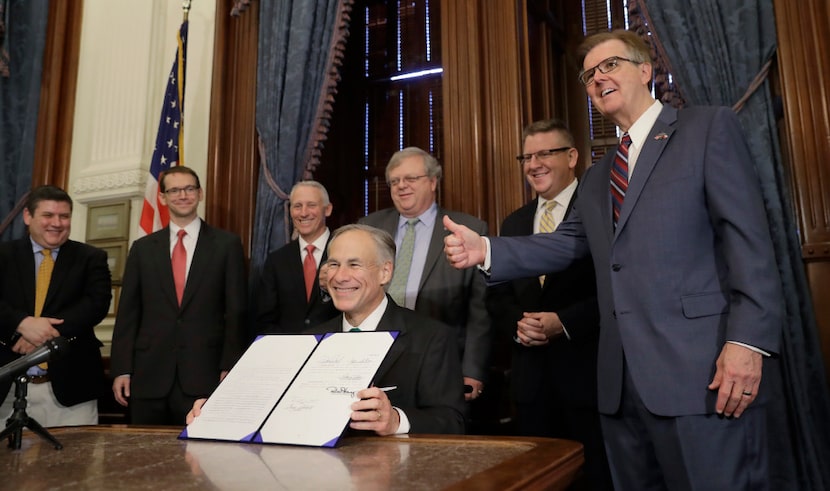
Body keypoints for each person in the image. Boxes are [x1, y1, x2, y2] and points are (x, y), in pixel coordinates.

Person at [444, 29, 783, 490]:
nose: (598, 78)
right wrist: (486, 249)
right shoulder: (601, 172)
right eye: (589, 75)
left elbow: (749, 243)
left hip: (701, 374)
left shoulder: (706, 129)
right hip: (619, 388)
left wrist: (747, 343)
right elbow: (568, 244)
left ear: (646, 71)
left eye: (610, 65)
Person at [189, 224, 466, 435]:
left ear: (385, 272)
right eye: (333, 264)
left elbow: (452, 421)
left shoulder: (431, 337)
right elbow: (272, 408)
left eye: (354, 264)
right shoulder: (307, 341)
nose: (340, 276)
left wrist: (395, 420)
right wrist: (216, 412)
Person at [486, 119, 612, 490]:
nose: (533, 164)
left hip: (588, 377)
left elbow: (616, 287)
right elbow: (497, 294)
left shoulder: (600, 212)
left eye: (545, 153)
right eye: (527, 156)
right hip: (531, 383)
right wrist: (518, 325)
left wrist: (565, 322)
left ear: (572, 157)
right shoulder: (514, 222)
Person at [111, 166, 247, 425]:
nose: (182, 195)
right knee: (142, 458)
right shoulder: (142, 249)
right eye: (174, 190)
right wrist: (121, 369)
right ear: (162, 197)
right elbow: (128, 313)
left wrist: (231, 364)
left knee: (198, 461)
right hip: (148, 376)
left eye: (189, 188)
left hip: (204, 376)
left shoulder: (226, 245)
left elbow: (236, 310)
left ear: (200, 193)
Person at [359, 147, 491, 401]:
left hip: (439, 359)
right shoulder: (368, 228)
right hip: (374, 358)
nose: (401, 186)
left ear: (432, 182)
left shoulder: (467, 230)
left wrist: (473, 370)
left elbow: (479, 312)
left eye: (410, 179)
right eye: (395, 181)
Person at [0, 185, 111, 427]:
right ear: (28, 216)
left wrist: (42, 335)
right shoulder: (3, 255)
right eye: (48, 215)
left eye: (64, 216)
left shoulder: (91, 257)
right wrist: (22, 324)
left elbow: (96, 304)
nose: (57, 223)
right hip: (6, 390)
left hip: (70, 391)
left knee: (70, 465)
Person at [256, 181, 339, 335]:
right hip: (287, 353)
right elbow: (265, 320)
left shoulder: (344, 253)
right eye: (297, 206)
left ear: (327, 209)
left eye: (311, 205)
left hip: (334, 351)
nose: (303, 213)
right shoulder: (276, 260)